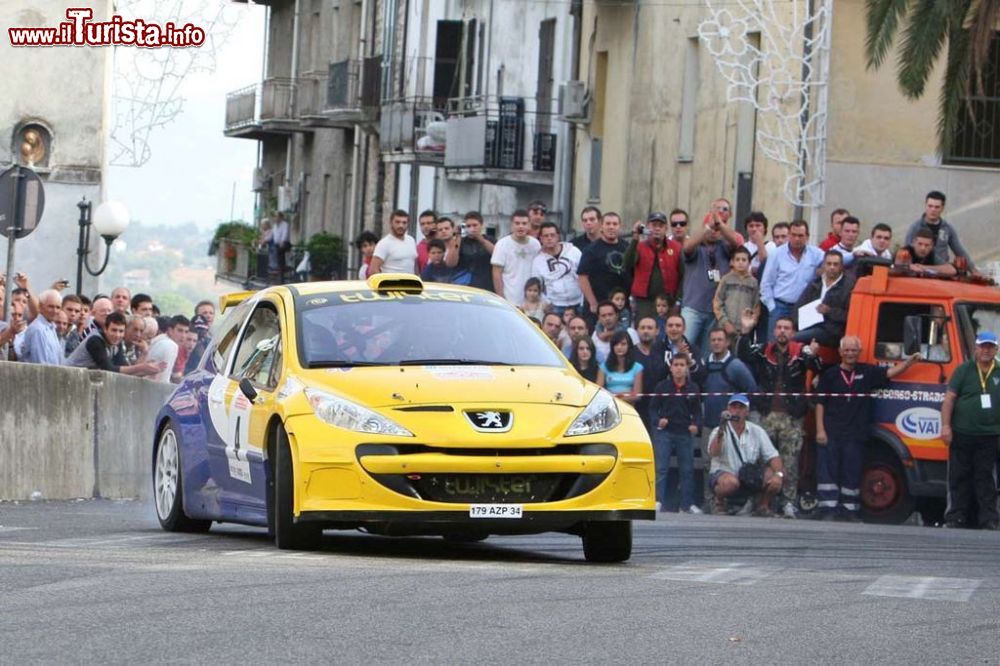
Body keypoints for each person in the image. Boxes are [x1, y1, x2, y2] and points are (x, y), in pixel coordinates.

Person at [814, 336, 919, 521]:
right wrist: (820, 430)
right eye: (846, 350)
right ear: (840, 352)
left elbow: (890, 373)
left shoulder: (867, 372)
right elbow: (820, 403)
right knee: (828, 472)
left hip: (856, 434)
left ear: (859, 352)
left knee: (852, 472)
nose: (850, 354)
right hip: (831, 432)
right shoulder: (829, 375)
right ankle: (827, 510)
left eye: (854, 350)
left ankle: (850, 510)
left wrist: (909, 362)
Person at [737, 311, 822, 518]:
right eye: (779, 327)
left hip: (791, 417)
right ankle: (755, 502)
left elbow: (817, 367)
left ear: (793, 332)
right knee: (759, 460)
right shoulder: (764, 349)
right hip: (766, 415)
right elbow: (743, 355)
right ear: (774, 330)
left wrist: (814, 355)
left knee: (790, 463)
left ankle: (788, 503)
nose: (782, 331)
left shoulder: (801, 352)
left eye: (787, 328)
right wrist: (746, 331)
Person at [940, 331, 1000, 530]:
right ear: (975, 348)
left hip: (990, 434)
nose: (986, 350)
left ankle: (989, 519)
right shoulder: (964, 370)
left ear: (996, 349)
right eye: (983, 346)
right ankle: (956, 517)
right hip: (962, 433)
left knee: (986, 478)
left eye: (990, 347)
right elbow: (949, 400)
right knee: (959, 476)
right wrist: (946, 426)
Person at [707, 393, 784, 516]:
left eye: (741, 407)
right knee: (731, 483)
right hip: (724, 473)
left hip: (747, 475)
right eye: (733, 407)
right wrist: (722, 427)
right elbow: (714, 452)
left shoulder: (757, 431)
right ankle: (718, 501)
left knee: (774, 478)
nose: (737, 411)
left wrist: (778, 474)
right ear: (728, 409)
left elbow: (773, 456)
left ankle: (763, 506)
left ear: (747, 411)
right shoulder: (718, 430)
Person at [681, 201, 741, 352]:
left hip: (715, 312)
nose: (714, 231)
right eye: (711, 228)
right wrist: (707, 227)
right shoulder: (696, 246)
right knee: (684, 348)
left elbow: (736, 243)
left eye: (717, 229)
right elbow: (687, 248)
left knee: (709, 354)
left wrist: (719, 223)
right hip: (693, 309)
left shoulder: (724, 247)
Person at [649, 353, 702, 513]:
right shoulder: (662, 387)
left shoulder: (693, 388)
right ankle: (658, 501)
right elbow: (652, 409)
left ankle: (687, 504)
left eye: (682, 365)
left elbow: (698, 412)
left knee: (687, 469)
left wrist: (696, 425)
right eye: (676, 365)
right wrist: (658, 420)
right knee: (661, 468)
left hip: (684, 432)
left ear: (687, 368)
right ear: (671, 368)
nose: (679, 368)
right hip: (665, 432)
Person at [759, 220, 824, 338]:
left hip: (804, 309)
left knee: (800, 346)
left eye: (800, 235)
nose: (797, 239)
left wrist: (855, 253)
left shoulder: (816, 254)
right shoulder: (777, 254)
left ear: (807, 237)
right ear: (789, 235)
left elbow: (834, 260)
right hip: (780, 307)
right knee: (775, 346)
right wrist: (772, 308)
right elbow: (766, 283)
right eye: (793, 235)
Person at [695, 327, 757, 433]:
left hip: (732, 426)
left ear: (727, 342)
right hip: (708, 425)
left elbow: (752, 390)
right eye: (713, 340)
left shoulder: (736, 366)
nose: (716, 343)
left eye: (720, 340)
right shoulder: (704, 365)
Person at [624, 212, 683, 322]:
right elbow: (627, 264)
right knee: (644, 330)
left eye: (660, 226)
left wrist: (678, 300)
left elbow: (683, 275)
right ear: (647, 227)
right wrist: (635, 239)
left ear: (666, 228)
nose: (657, 229)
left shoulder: (676, 248)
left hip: (668, 301)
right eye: (654, 225)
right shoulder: (639, 247)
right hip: (644, 301)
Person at [65, 312, 163, 376]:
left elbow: (125, 370)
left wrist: (147, 368)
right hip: (67, 376)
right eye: (114, 330)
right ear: (105, 329)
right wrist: (142, 367)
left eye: (121, 331)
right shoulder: (95, 341)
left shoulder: (117, 343)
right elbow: (109, 369)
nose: (117, 335)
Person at [793, 250, 855, 347]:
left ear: (842, 266)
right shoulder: (816, 283)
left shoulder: (849, 286)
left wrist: (829, 311)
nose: (832, 267)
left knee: (793, 338)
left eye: (836, 264)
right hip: (809, 325)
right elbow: (799, 306)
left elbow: (850, 316)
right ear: (823, 265)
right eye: (829, 264)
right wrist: (793, 324)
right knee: (784, 334)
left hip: (832, 331)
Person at [904, 190, 975, 270]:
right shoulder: (915, 227)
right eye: (930, 206)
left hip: (942, 272)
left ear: (942, 208)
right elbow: (906, 252)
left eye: (937, 207)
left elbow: (960, 251)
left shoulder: (948, 228)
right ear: (925, 206)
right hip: (919, 272)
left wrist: (973, 270)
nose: (933, 210)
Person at [577, 211, 630, 318]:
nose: (611, 227)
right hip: (598, 305)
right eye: (608, 224)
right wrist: (593, 303)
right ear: (601, 226)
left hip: (622, 305)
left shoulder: (627, 247)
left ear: (620, 227)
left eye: (615, 224)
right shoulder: (591, 249)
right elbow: (582, 277)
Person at [531, 222, 583, 314]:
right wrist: (547, 303)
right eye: (546, 236)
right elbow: (537, 286)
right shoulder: (538, 261)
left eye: (552, 235)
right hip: (555, 306)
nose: (549, 238)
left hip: (578, 303)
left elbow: (584, 276)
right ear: (541, 239)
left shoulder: (574, 252)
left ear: (558, 236)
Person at [491, 209, 541, 306]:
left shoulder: (535, 244)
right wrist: (501, 298)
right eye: (517, 223)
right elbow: (496, 273)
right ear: (511, 225)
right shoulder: (502, 244)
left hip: (530, 301)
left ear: (529, 225)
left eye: (524, 223)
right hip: (510, 299)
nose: (520, 226)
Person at [712, 246, 759, 346]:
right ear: (732, 262)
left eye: (744, 260)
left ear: (749, 263)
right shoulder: (726, 279)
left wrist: (750, 324)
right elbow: (717, 302)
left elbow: (756, 306)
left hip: (744, 329)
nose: (740, 262)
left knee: (741, 354)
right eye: (737, 260)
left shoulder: (753, 283)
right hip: (726, 327)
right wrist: (725, 322)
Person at [445, 211, 496, 291]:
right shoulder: (460, 241)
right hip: (464, 287)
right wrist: (458, 237)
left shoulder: (489, 240)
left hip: (486, 287)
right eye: (468, 226)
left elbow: (497, 254)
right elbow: (450, 263)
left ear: (481, 225)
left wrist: (480, 239)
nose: (472, 228)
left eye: (475, 225)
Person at [633, 316, 668, 434]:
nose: (646, 331)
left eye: (649, 328)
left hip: (660, 408)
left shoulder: (665, 351)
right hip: (636, 407)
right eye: (642, 328)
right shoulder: (630, 352)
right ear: (637, 330)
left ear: (657, 331)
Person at [597, 330, 643, 405]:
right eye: (616, 344)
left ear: (629, 346)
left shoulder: (637, 367)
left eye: (623, 344)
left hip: (629, 407)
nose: (619, 347)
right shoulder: (603, 367)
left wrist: (617, 397)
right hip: (609, 406)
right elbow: (598, 391)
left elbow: (637, 395)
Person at [19, 289, 64, 365]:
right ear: (40, 306)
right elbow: (41, 365)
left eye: (58, 307)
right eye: (51, 306)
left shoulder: (51, 327)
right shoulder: (38, 329)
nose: (54, 311)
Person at [370, 209, 418, 275]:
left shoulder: (411, 240)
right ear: (391, 223)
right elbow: (373, 270)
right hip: (391, 284)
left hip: (411, 284)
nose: (401, 225)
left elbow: (413, 264)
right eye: (397, 222)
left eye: (404, 223)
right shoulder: (384, 244)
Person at [146, 316, 179, 383]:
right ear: (170, 330)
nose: (183, 335)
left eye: (186, 332)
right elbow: (164, 379)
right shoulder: (170, 345)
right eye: (180, 331)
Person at [271, 212, 291, 282]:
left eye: (277, 217)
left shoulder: (285, 224)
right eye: (274, 217)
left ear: (281, 217)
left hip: (284, 243)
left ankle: (281, 272)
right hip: (277, 244)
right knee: (276, 254)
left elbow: (285, 233)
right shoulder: (275, 226)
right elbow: (274, 235)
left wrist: (282, 241)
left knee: (280, 254)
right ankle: (278, 270)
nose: (275, 218)